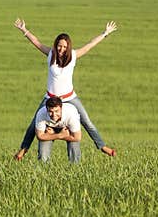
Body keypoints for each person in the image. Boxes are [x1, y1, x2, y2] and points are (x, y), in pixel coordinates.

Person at [12, 18, 117, 161]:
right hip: (50, 97)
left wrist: (105, 33)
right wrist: (24, 29)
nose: (61, 49)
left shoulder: (73, 56)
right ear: (56, 46)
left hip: (69, 97)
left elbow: (89, 45)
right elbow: (37, 42)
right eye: (59, 46)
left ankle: (102, 146)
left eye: (64, 47)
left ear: (68, 47)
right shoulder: (50, 55)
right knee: (33, 124)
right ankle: (22, 151)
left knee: (87, 121)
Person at [22, 96, 82, 162]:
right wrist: (59, 135)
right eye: (50, 111)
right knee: (43, 153)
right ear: (46, 109)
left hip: (67, 128)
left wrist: (56, 135)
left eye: (56, 111)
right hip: (50, 128)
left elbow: (77, 137)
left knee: (74, 144)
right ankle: (44, 169)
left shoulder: (71, 114)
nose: (54, 114)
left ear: (61, 108)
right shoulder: (41, 113)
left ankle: (74, 167)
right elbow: (40, 136)